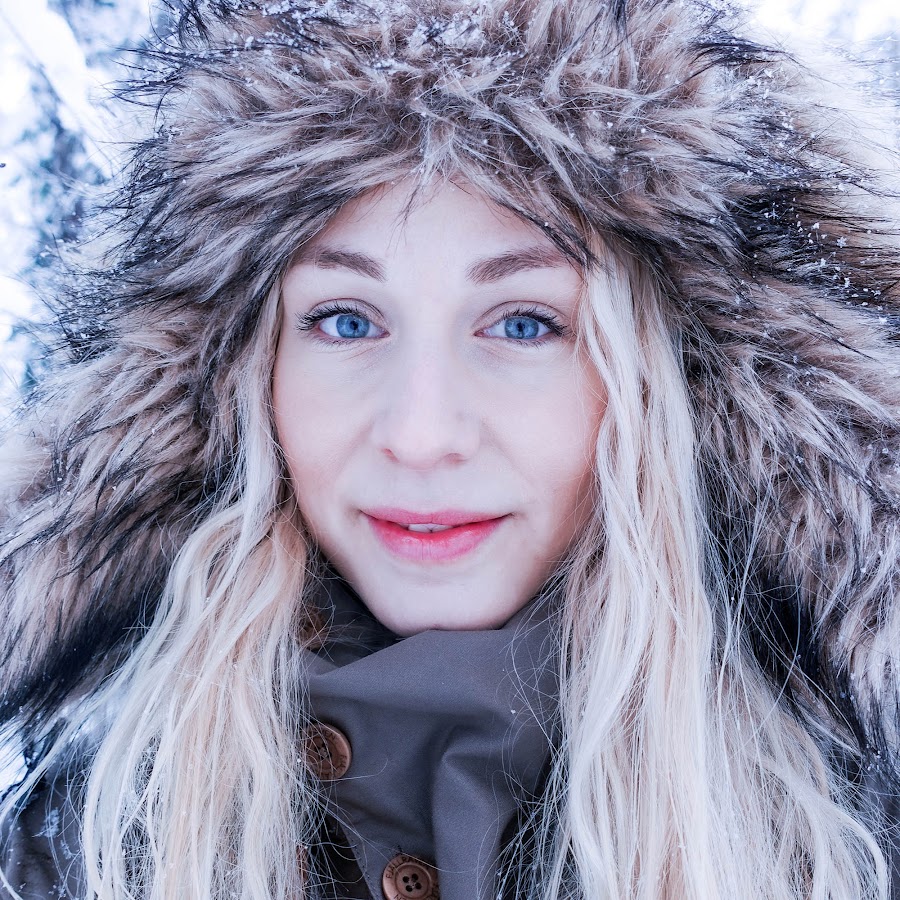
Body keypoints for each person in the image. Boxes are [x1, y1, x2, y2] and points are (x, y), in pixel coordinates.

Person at [1, 0, 900, 897]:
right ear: (239, 375)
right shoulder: (86, 851)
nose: (420, 436)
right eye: (346, 320)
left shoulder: (854, 849)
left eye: (523, 323)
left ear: (680, 376)